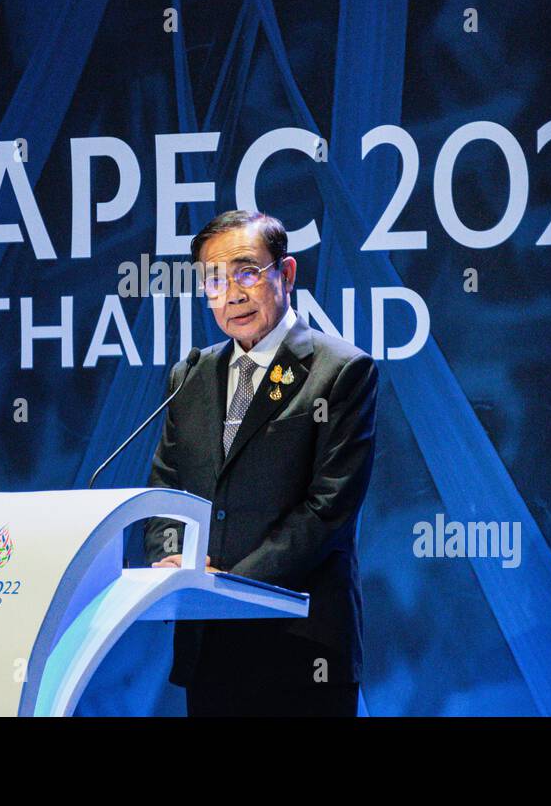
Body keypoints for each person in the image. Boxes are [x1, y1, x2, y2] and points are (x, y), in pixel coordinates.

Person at [144, 209, 380, 716]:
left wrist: (227, 586)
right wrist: (175, 564)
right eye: (214, 279)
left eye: (247, 271)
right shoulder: (190, 376)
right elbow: (167, 488)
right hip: (210, 654)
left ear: (286, 273)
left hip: (301, 651)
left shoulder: (340, 371)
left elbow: (327, 510)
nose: (233, 293)